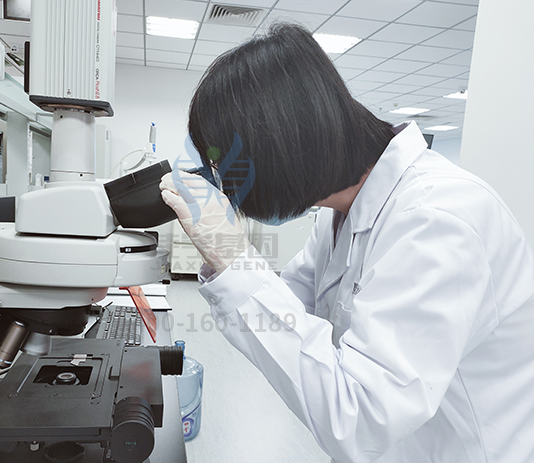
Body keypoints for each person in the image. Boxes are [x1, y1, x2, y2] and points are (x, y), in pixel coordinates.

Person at [159, 23, 534, 463]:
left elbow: (359, 419)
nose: (227, 184)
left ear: (280, 146)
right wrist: (227, 263)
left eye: (228, 165)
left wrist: (234, 257)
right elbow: (291, 308)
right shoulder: (341, 210)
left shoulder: (438, 219)